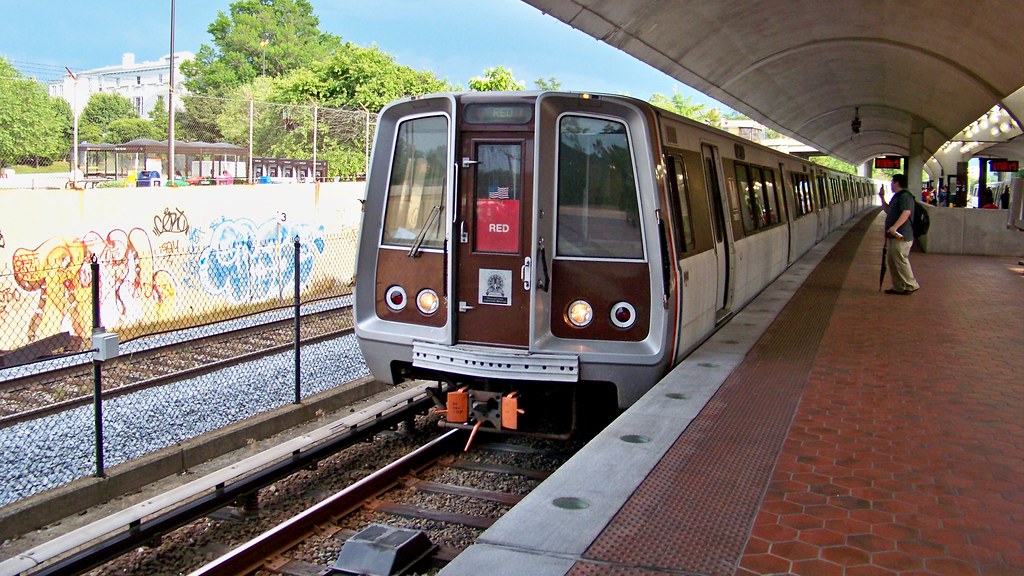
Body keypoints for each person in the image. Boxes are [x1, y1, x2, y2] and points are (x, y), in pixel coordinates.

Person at [878, 173, 920, 295]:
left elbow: (906, 212)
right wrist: (882, 197)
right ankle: (899, 286)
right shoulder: (896, 196)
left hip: (902, 235)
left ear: (896, 183)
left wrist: (894, 227)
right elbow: (887, 210)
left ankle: (911, 284)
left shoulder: (905, 196)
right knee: (892, 260)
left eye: (892, 182)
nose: (891, 185)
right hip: (894, 235)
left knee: (900, 259)